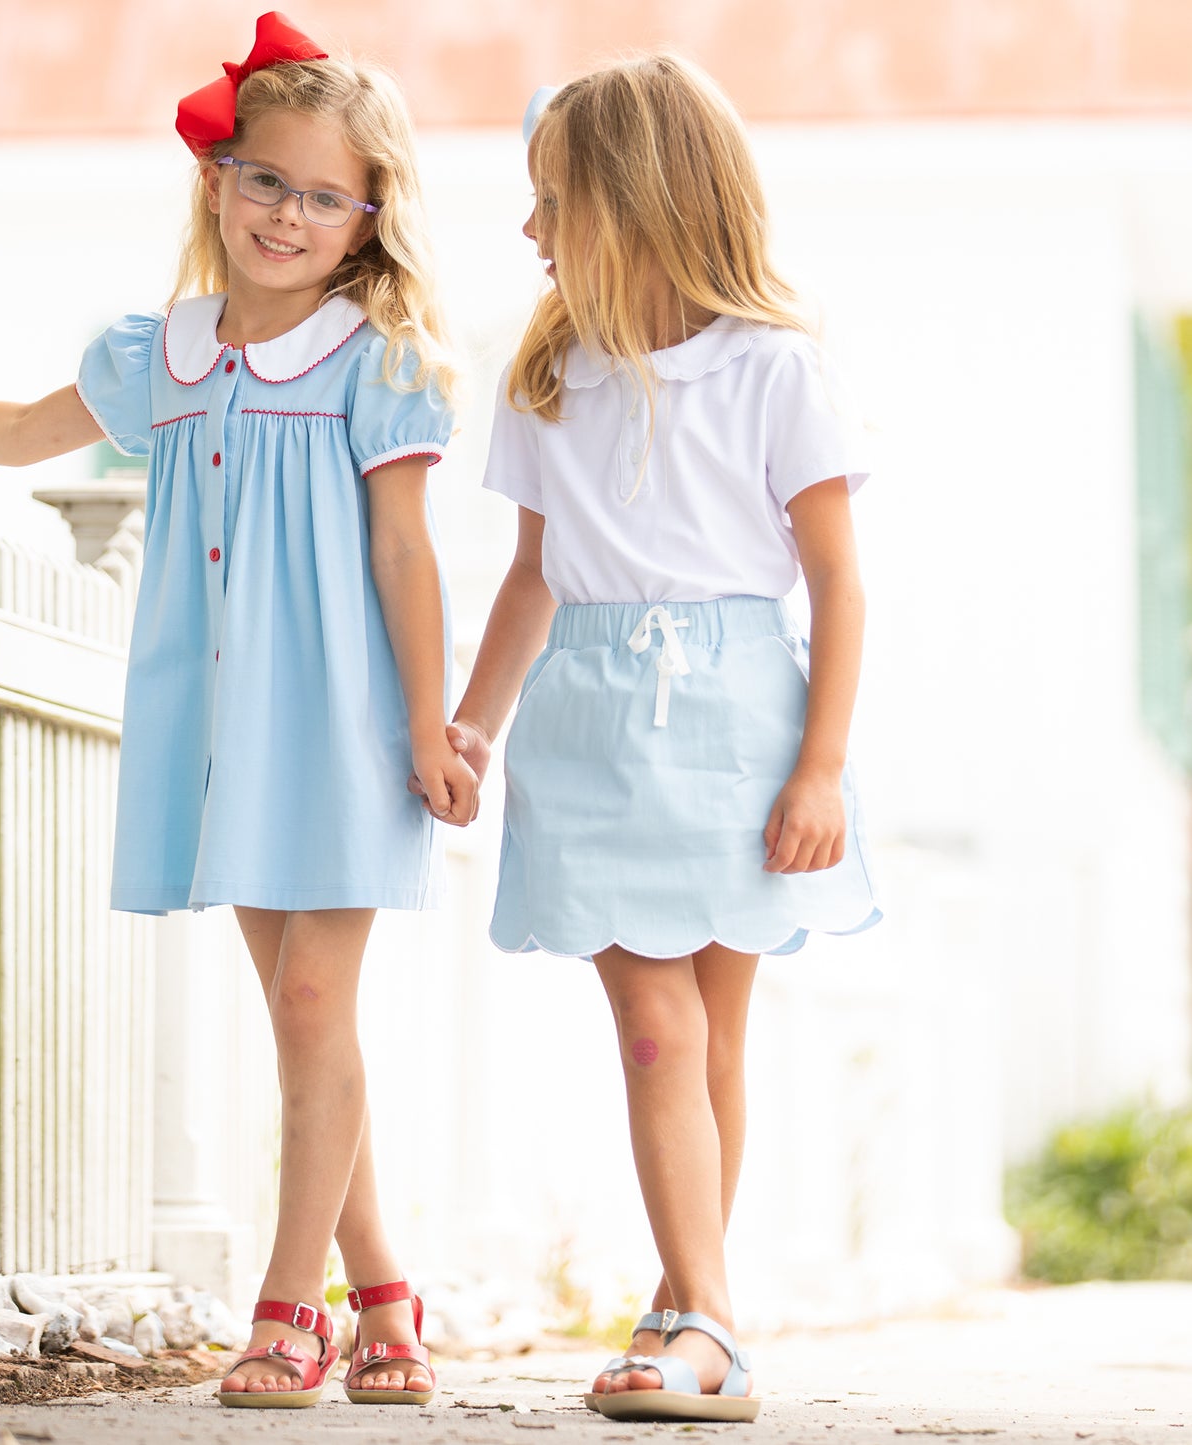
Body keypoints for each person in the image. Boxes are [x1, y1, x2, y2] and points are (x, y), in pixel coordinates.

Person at [0, 10, 471, 1411]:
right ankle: (384, 1288)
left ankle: (290, 1314)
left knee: (319, 1000)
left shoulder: (373, 358)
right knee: (299, 1018)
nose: (288, 212)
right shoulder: (170, 349)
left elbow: (403, 549)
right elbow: (24, 424)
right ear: (219, 179)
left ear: (366, 220)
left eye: (325, 195)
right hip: (222, 726)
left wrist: (430, 723)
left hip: (337, 723)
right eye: (266, 178)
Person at [441, 56, 881, 1423]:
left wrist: (817, 765)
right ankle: (706, 1318)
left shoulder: (774, 369)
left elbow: (838, 581)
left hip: (740, 718)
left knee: (712, 1036)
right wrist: (470, 722)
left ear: (631, 204)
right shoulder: (547, 376)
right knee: (653, 1025)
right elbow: (532, 574)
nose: (528, 232)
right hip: (589, 728)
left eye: (550, 202)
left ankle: (693, 1308)